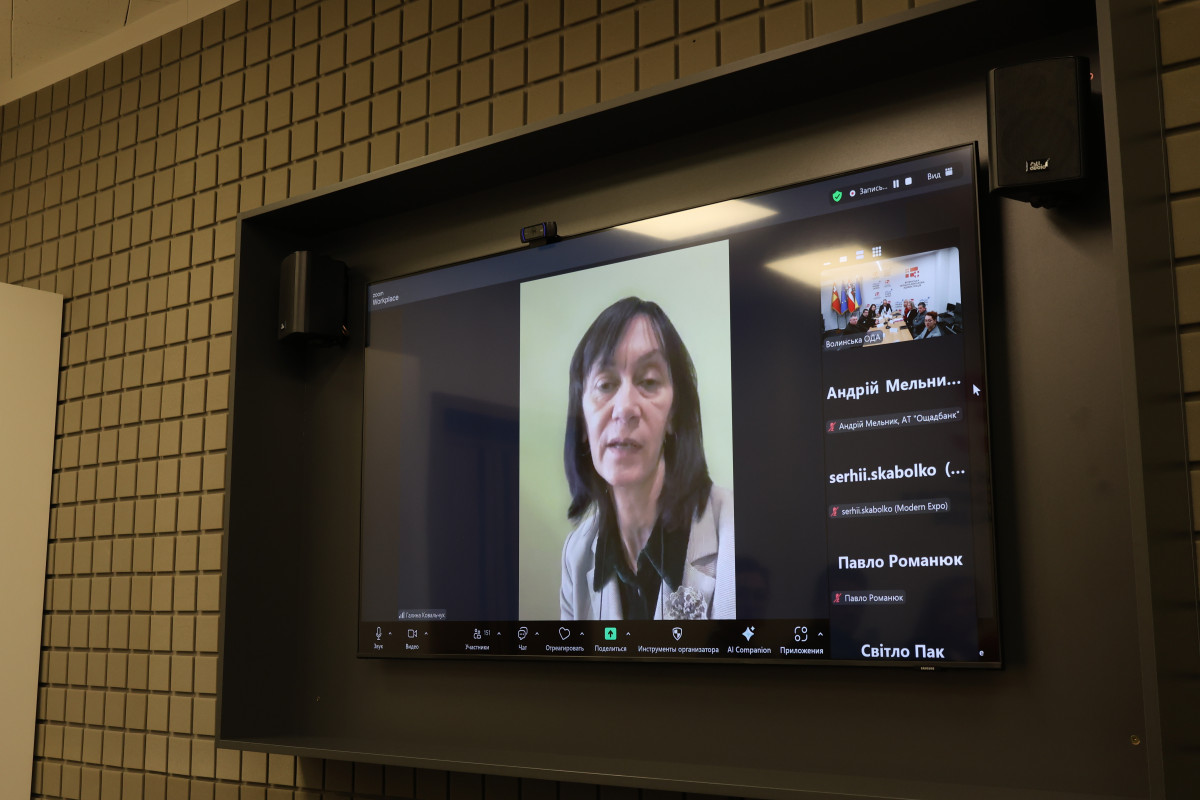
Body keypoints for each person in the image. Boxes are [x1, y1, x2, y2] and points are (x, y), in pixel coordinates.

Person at [560, 297, 735, 621]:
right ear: (582, 420)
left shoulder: (736, 533)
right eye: (605, 384)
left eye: (649, 381)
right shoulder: (576, 553)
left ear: (673, 414)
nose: (625, 407)